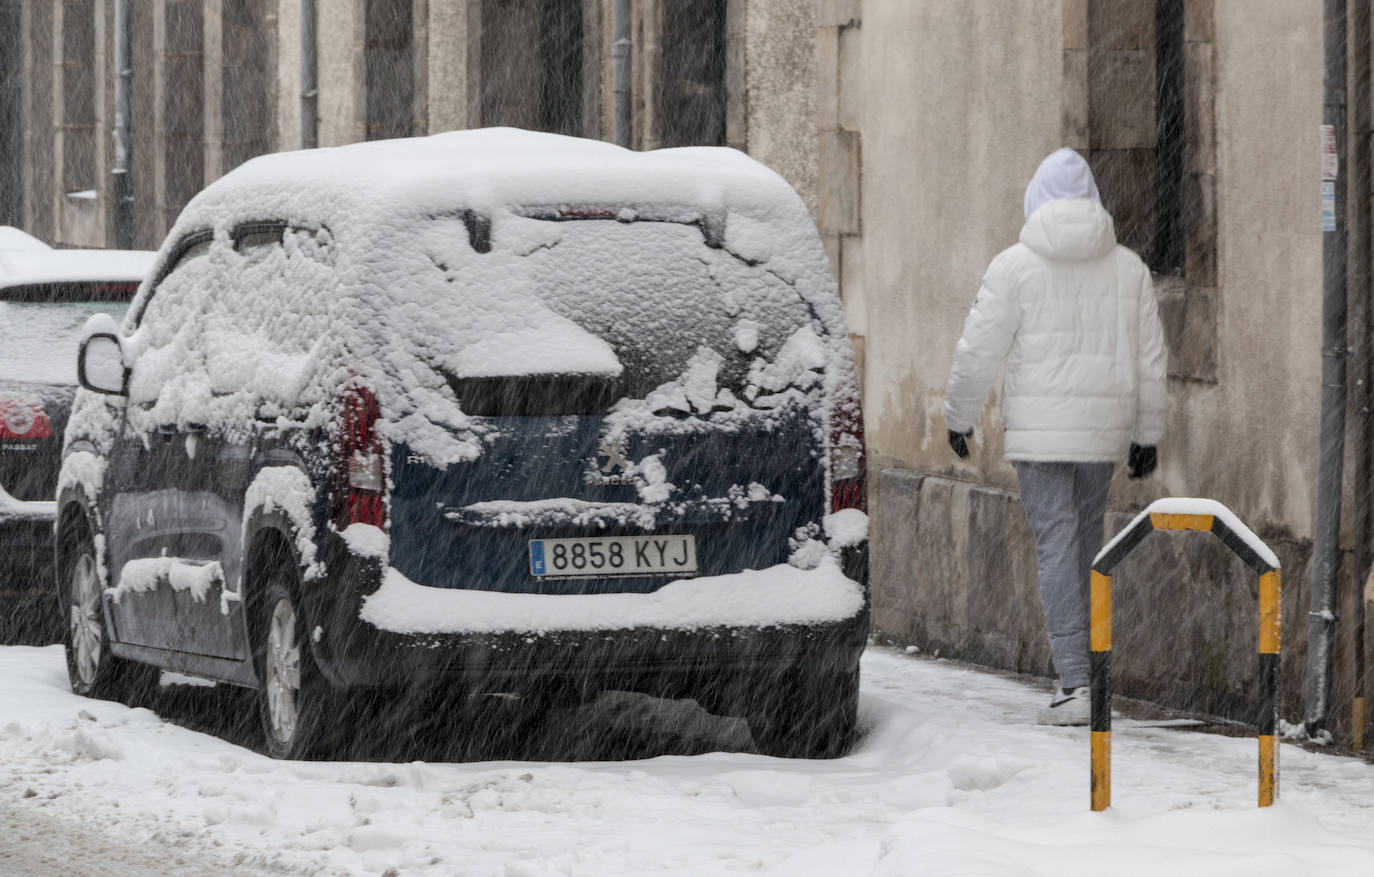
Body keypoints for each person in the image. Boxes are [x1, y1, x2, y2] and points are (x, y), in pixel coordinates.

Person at [944, 148, 1168, 725]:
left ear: (1036, 202)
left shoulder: (1012, 267)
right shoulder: (1130, 269)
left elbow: (979, 349)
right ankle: (1090, 673)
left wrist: (959, 416)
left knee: (1056, 547)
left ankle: (1076, 681)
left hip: (1041, 439)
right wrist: (1148, 433)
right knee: (1089, 547)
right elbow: (1150, 360)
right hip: (1100, 436)